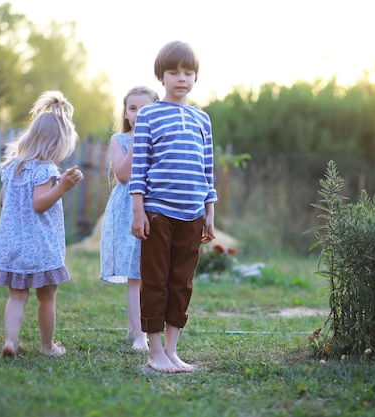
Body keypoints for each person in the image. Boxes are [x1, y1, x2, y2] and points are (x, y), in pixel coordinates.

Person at [130, 40, 217, 373]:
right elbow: (139, 167)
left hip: (193, 214)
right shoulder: (150, 114)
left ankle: (171, 350)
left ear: (195, 77)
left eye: (188, 72)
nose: (181, 78)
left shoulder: (202, 119)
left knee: (182, 281)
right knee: (156, 281)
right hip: (157, 212)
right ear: (161, 76)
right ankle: (153, 352)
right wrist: (139, 210)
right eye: (173, 72)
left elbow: (207, 170)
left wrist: (210, 213)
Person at [0, 90, 83, 358]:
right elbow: (40, 204)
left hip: (13, 245)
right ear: (55, 145)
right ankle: (47, 346)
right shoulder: (46, 170)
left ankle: (10, 341)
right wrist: (62, 186)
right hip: (40, 246)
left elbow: (3, 201)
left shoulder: (13, 167)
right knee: (47, 298)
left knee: (17, 296)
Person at [100, 86, 159, 351]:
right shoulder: (120, 140)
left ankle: (146, 326)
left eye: (144, 109)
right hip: (128, 210)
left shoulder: (162, 139)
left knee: (153, 273)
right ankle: (138, 335)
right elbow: (123, 175)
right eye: (132, 109)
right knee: (136, 273)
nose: (137, 114)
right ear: (125, 112)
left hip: (156, 207)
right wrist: (138, 140)